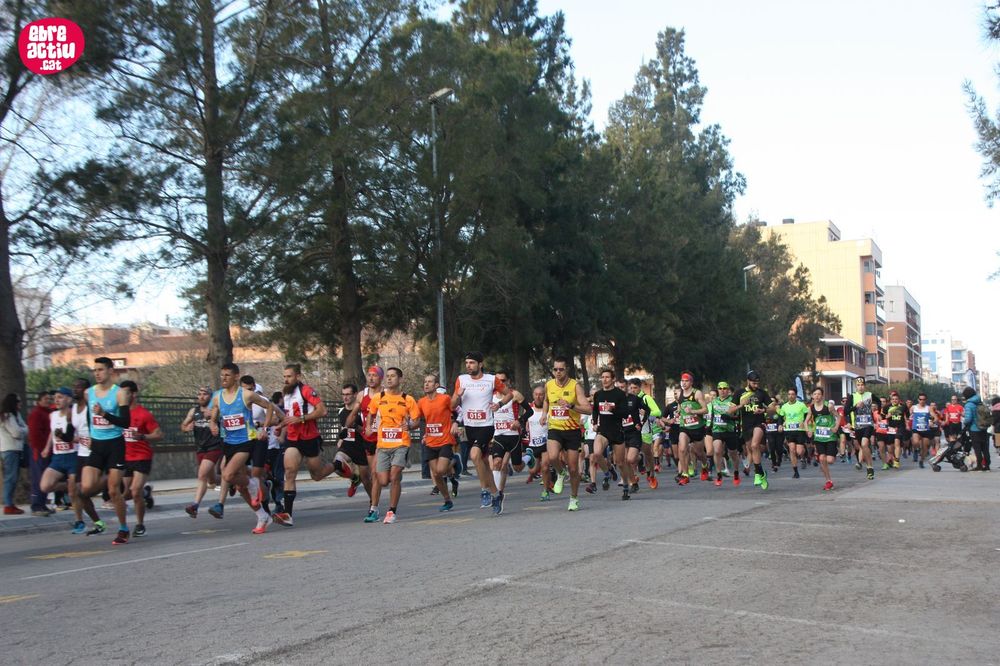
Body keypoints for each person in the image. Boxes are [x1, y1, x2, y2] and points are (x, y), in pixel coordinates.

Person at [208, 362, 275, 534]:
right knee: (239, 486)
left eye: (227, 375)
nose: (223, 378)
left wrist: (264, 428)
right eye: (222, 375)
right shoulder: (217, 397)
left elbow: (269, 406)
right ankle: (262, 516)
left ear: (236, 376)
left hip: (246, 441)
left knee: (227, 475)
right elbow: (213, 415)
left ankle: (253, 484)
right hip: (229, 443)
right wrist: (213, 424)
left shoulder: (246, 395)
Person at [274, 363, 343, 527]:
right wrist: (281, 425)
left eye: (289, 376)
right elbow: (290, 416)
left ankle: (338, 464)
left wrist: (301, 419)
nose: (286, 380)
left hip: (310, 438)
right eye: (284, 377)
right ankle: (288, 514)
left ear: (298, 376)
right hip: (293, 439)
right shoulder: (286, 394)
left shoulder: (306, 391)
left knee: (317, 475)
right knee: (290, 471)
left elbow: (322, 411)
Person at [81, 357, 133, 545]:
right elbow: (89, 417)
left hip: (114, 445)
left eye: (101, 369)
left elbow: (125, 422)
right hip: (97, 445)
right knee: (84, 490)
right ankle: (98, 522)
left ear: (111, 371)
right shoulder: (88, 393)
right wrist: (90, 435)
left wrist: (104, 414)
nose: (97, 373)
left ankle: (123, 529)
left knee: (113, 491)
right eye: (95, 370)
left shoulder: (120, 393)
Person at [451, 351, 509, 510]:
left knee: (474, 455)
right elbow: (452, 405)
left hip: (486, 426)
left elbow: (509, 394)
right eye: (467, 363)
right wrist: (457, 395)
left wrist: (499, 404)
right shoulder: (461, 380)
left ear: (480, 364)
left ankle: (484, 491)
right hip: (470, 427)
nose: (468, 366)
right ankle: (496, 494)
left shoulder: (491, 379)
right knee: (483, 463)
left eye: (472, 363)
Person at [364, 367, 420, 524]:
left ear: (400, 379)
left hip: (401, 443)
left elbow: (416, 420)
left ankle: (391, 511)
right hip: (383, 445)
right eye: (387, 376)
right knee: (383, 480)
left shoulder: (408, 399)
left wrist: (410, 425)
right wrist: (368, 427)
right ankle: (377, 507)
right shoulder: (378, 397)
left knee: (394, 476)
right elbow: (370, 414)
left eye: (393, 376)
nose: (389, 379)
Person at [539, 356, 592, 511]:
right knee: (552, 457)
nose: (558, 372)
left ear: (567, 369)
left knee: (574, 469)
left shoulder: (575, 386)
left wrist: (571, 406)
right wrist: (544, 414)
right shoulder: (549, 384)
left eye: (561, 369)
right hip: (555, 428)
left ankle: (574, 498)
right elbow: (547, 401)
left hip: (572, 430)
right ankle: (561, 472)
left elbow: (588, 409)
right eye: (555, 369)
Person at [119, 380, 163, 537]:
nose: (122, 396)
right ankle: (146, 493)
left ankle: (140, 525)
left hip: (142, 456)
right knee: (126, 494)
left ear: (133, 394)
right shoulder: (118, 413)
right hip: (125, 457)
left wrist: (142, 436)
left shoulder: (143, 414)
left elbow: (158, 434)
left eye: (126, 392)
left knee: (135, 491)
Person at [181, 387, 227, 519]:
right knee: (211, 480)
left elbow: (225, 422)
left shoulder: (216, 410)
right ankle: (231, 482)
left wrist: (214, 418)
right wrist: (187, 428)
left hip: (214, 446)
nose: (201, 397)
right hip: (201, 448)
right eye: (199, 394)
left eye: (205, 394)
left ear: (211, 397)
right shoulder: (193, 411)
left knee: (201, 474)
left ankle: (195, 506)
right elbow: (183, 425)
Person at [39, 388, 80, 527]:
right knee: (45, 486)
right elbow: (52, 433)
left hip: (73, 455)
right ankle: (69, 485)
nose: (56, 400)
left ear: (69, 399)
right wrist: (47, 447)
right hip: (58, 457)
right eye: (55, 397)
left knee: (73, 494)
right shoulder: (53, 415)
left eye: (60, 397)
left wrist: (67, 438)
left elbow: (82, 437)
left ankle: (79, 520)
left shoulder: (75, 415)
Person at [417, 374, 458, 512]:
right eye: (425, 382)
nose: (426, 384)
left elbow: (457, 411)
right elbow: (418, 419)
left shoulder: (444, 398)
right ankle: (447, 500)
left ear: (436, 385)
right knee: (436, 474)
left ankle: (453, 461)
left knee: (440, 470)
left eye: (430, 382)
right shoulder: (421, 402)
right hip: (430, 441)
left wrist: (455, 423)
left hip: (445, 439)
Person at [489, 371, 526, 515]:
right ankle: (497, 495)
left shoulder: (515, 394)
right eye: (498, 381)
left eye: (503, 380)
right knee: (498, 463)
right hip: (498, 435)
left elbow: (529, 410)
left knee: (517, 468)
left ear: (508, 381)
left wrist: (520, 421)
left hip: (513, 435)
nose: (500, 383)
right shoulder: (490, 396)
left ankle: (527, 457)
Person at [588, 368, 628, 495]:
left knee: (620, 463)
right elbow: (595, 410)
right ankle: (607, 473)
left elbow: (625, 414)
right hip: (603, 431)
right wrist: (595, 423)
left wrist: (612, 409)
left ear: (613, 379)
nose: (604, 380)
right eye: (603, 377)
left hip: (617, 431)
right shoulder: (598, 394)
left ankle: (626, 487)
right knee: (596, 454)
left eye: (607, 377)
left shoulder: (619, 394)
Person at [738, 370, 774, 490]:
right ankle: (761, 473)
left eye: (757, 383)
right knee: (751, 450)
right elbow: (729, 411)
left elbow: (773, 409)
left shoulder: (762, 393)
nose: (756, 385)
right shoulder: (740, 393)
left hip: (759, 423)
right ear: (748, 381)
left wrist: (763, 410)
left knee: (754, 445)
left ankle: (758, 474)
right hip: (746, 426)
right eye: (754, 383)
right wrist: (741, 405)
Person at [337, 383, 370, 503]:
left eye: (348, 394)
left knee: (366, 480)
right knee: (337, 465)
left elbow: (367, 431)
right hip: (347, 447)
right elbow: (343, 428)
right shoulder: (341, 410)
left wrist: (355, 425)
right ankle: (355, 478)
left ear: (355, 395)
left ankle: (373, 503)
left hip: (361, 448)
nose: (345, 397)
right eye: (343, 394)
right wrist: (341, 439)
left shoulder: (361, 412)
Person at [675, 372, 707, 485]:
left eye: (686, 381)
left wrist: (692, 411)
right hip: (684, 426)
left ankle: (705, 465)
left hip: (697, 427)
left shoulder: (697, 393)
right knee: (682, 449)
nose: (684, 383)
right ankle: (685, 474)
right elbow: (680, 406)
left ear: (691, 382)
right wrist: (678, 412)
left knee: (699, 453)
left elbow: (705, 410)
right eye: (682, 381)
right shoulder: (680, 393)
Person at [708, 382, 741, 487]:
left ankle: (736, 472)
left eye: (724, 388)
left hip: (730, 430)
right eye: (720, 388)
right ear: (718, 390)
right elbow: (711, 415)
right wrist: (708, 426)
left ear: (728, 390)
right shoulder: (714, 402)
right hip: (717, 430)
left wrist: (729, 418)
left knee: (733, 453)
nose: (722, 390)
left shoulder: (733, 401)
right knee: (717, 451)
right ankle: (718, 474)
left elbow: (738, 417)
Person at [27, 390, 54, 516]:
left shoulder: (48, 413)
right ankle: (36, 506)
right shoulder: (36, 414)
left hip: (47, 450)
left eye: (49, 399)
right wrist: (41, 449)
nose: (48, 401)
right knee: (38, 477)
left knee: (44, 478)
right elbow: (34, 434)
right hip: (39, 451)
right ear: (39, 401)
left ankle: (42, 504)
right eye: (45, 399)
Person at [846, 377, 878, 481]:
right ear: (856, 386)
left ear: (865, 386)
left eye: (862, 385)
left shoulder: (870, 395)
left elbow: (879, 402)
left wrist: (880, 413)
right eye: (858, 385)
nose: (860, 387)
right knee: (862, 447)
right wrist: (855, 407)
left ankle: (870, 468)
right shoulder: (852, 396)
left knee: (864, 444)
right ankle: (867, 464)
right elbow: (846, 411)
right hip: (857, 426)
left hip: (868, 424)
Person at [805, 387, 838, 491]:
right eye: (815, 394)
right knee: (822, 458)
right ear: (812, 396)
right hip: (819, 437)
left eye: (819, 394)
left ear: (822, 396)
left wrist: (836, 427)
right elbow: (806, 421)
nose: (817, 396)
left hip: (830, 436)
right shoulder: (811, 408)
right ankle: (829, 481)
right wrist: (808, 430)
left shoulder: (829, 406)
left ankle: (831, 457)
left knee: (830, 460)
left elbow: (838, 417)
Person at [1, 393, 27, 514]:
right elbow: (16, 433)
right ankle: (8, 505)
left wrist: (23, 430)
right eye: (18, 401)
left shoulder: (16, 415)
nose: (20, 404)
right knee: (10, 478)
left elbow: (24, 428)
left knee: (13, 478)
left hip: (14, 449)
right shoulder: (7, 416)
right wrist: (24, 430)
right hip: (9, 450)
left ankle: (10, 503)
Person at [778, 389, 809, 479]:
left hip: (800, 430)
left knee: (799, 451)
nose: (791, 396)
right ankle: (796, 471)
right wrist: (780, 425)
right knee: (792, 450)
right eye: (789, 394)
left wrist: (804, 422)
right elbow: (780, 417)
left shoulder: (801, 405)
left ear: (795, 395)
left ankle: (804, 456)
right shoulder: (784, 406)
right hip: (789, 430)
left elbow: (807, 415)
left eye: (792, 394)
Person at [961, 386, 990, 471]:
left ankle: (979, 466)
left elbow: (968, 419)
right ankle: (987, 465)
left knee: (977, 448)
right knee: (985, 447)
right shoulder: (980, 402)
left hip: (974, 429)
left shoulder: (969, 404)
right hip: (983, 428)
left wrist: (965, 422)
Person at [909, 393, 939, 469]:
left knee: (925, 447)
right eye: (920, 399)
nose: (922, 401)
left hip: (926, 430)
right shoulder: (913, 407)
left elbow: (935, 417)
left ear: (926, 400)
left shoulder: (928, 408)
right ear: (918, 400)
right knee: (915, 442)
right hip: (916, 429)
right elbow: (907, 415)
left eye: (924, 399)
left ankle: (921, 461)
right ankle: (916, 450)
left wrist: (933, 422)